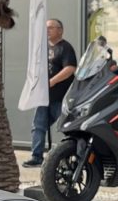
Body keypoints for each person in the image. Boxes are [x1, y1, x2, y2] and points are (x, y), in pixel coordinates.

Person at [23, 18, 77, 166]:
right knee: (38, 126)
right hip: (43, 97)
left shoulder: (65, 48)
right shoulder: (43, 48)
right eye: (45, 28)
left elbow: (70, 68)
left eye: (50, 28)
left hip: (61, 97)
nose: (47, 30)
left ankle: (68, 157)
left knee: (66, 127)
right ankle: (36, 157)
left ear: (60, 30)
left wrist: (52, 82)